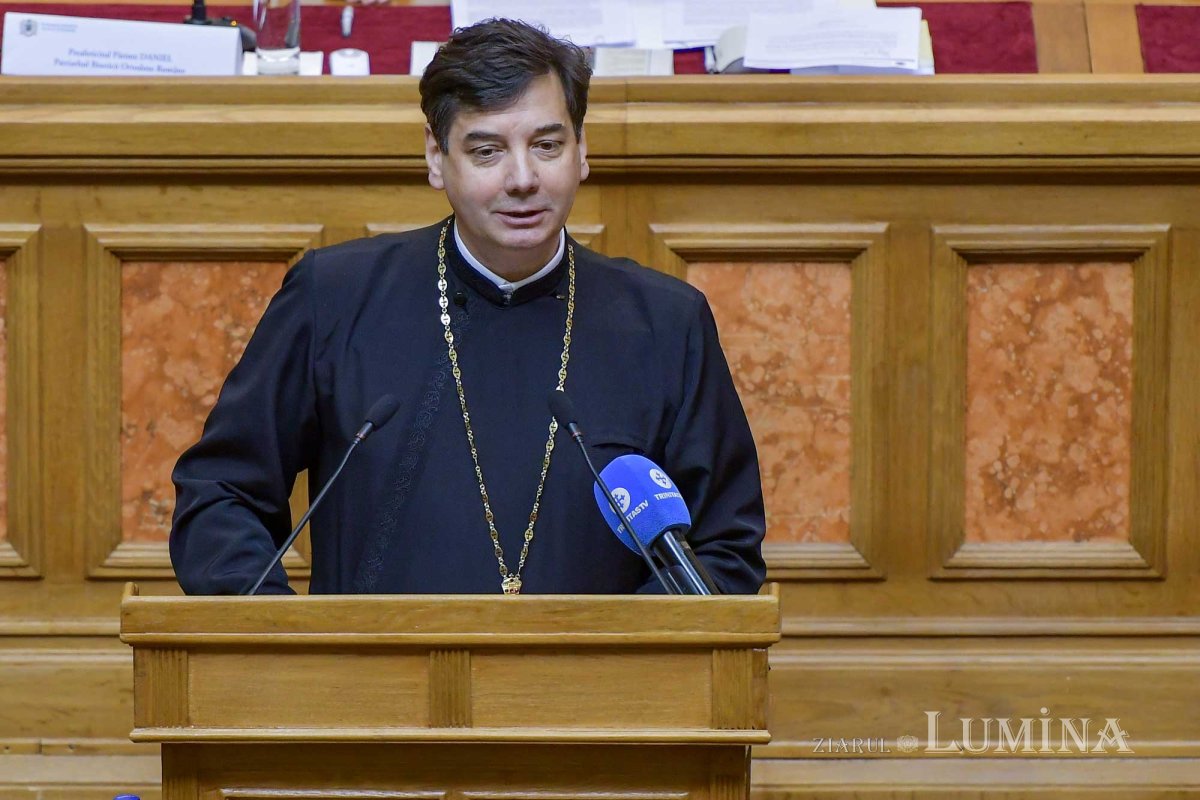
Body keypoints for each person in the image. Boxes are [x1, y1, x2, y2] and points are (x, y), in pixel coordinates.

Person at [169, 19, 766, 596]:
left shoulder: (667, 322)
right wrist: (288, 646)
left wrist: (619, 664)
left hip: (597, 692)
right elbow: (221, 494)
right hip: (373, 690)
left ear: (582, 150)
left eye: (547, 145)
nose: (523, 179)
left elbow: (724, 549)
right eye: (487, 152)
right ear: (436, 157)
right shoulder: (333, 297)